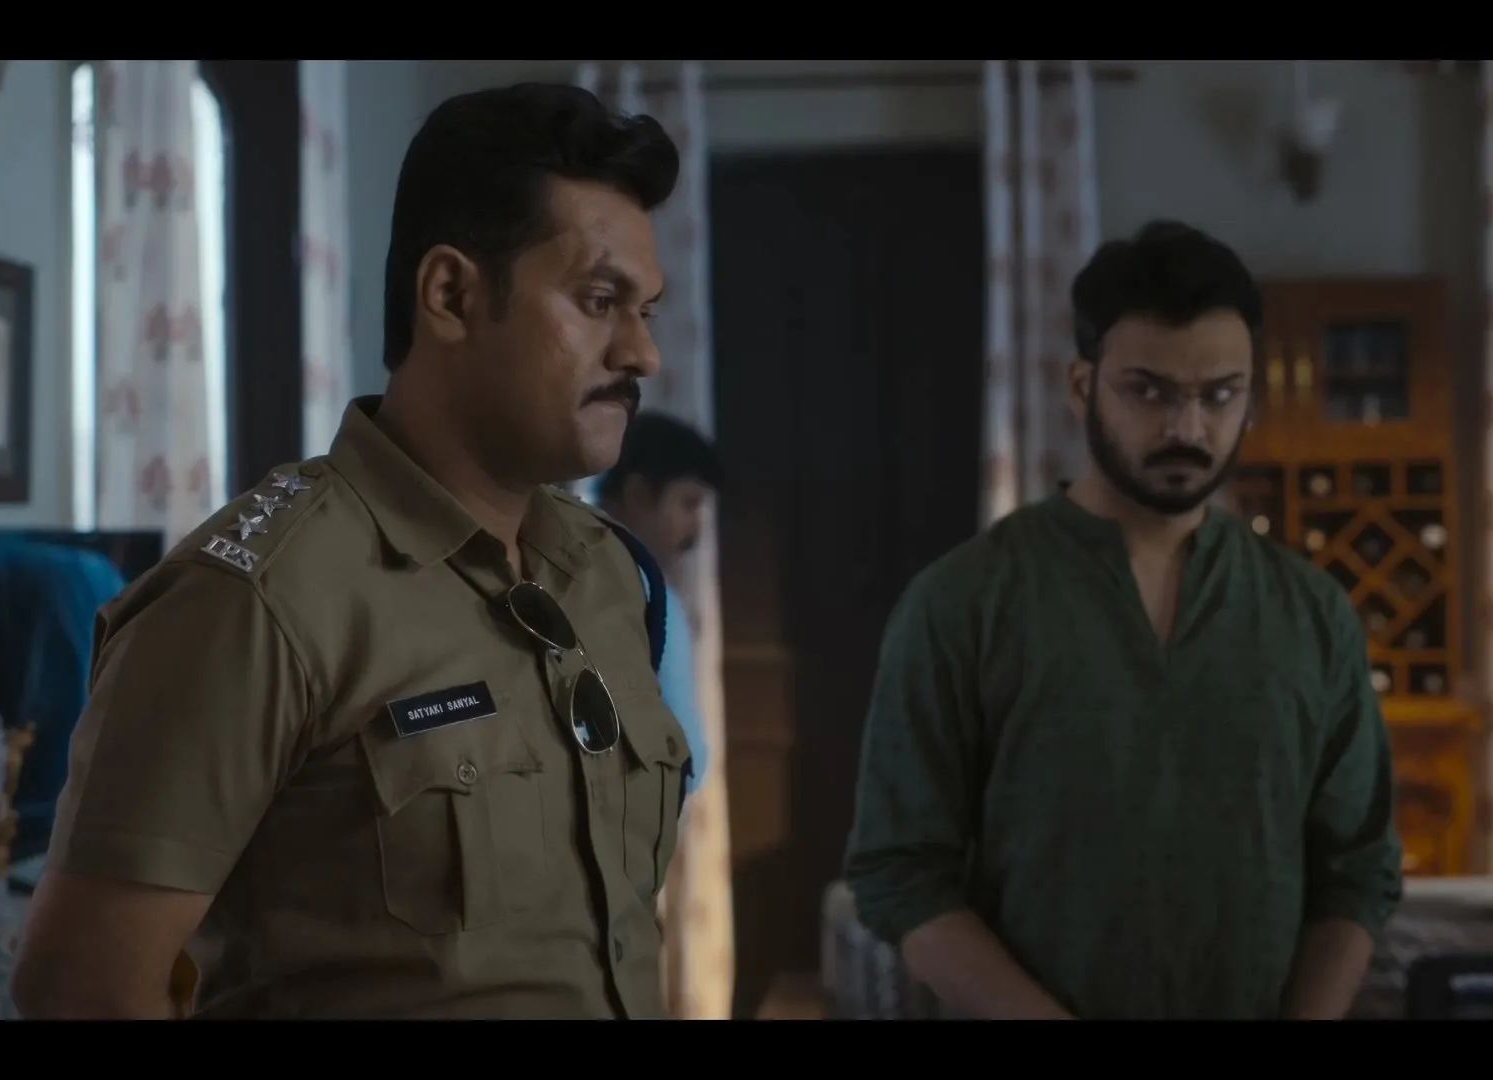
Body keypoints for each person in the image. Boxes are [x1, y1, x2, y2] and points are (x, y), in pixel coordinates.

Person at [12, 82, 692, 1020]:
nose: (641, 354)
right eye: (600, 300)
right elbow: (82, 989)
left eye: (645, 311)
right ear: (450, 295)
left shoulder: (610, 574)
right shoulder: (258, 600)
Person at [843, 220, 1402, 1021]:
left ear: (1251, 397)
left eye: (1219, 396)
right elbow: (900, 872)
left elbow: (1358, 872)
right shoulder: (962, 602)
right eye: (1149, 391)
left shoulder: (1312, 614)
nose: (1187, 429)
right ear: (1082, 386)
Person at [594, 411, 722, 799]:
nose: (696, 529)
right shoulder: (650, 599)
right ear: (639, 494)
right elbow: (684, 760)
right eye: (688, 504)